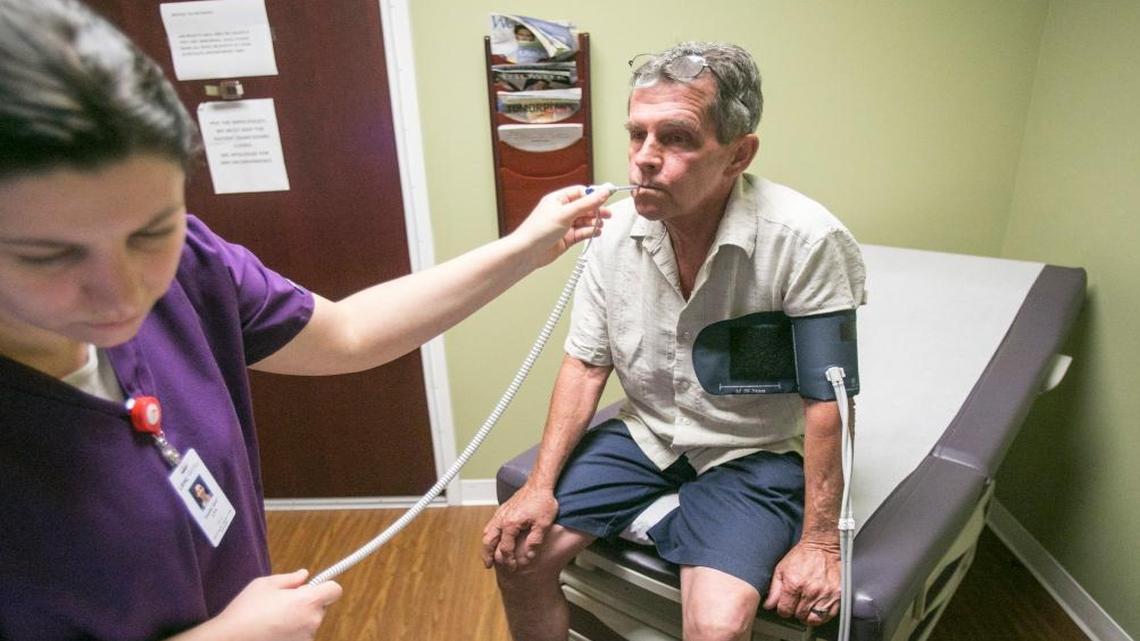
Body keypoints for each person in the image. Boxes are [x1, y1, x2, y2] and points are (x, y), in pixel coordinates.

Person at [0, 1, 613, 640]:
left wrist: (525, 247)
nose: (123, 295)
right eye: (50, 255)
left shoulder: (192, 263)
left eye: (151, 231)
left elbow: (346, 334)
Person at [482, 41, 866, 641]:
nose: (644, 159)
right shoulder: (614, 236)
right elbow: (585, 365)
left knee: (715, 626)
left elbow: (828, 403)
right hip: (648, 432)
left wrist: (820, 542)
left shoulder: (806, 240)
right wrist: (538, 486)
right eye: (637, 135)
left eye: (677, 138)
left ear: (739, 154)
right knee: (519, 556)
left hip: (752, 448)